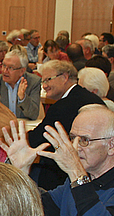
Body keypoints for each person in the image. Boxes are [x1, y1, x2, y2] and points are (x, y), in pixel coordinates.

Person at [28, 60, 104, 190]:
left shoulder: (64, 106)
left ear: (64, 78)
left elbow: (35, 140)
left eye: (48, 80)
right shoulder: (89, 97)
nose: (44, 86)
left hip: (65, 178)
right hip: (98, 170)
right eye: (43, 82)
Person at [0, 49, 42, 120]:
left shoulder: (33, 82)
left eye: (10, 68)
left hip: (24, 127)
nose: (4, 71)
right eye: (4, 65)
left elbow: (33, 115)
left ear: (22, 71)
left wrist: (23, 98)